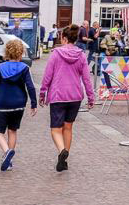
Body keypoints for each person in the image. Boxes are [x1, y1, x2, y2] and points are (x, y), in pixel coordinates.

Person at [39, 24, 94, 172]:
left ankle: (62, 150)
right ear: (75, 39)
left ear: (63, 38)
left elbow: (47, 76)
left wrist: (43, 92)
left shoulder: (56, 54)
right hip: (75, 96)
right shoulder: (81, 55)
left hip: (58, 95)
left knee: (56, 129)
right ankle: (64, 158)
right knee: (68, 127)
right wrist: (90, 97)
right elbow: (87, 79)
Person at [0, 39, 38, 171]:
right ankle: (9, 160)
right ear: (21, 53)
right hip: (19, 104)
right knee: (12, 131)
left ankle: (7, 151)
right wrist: (33, 103)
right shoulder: (25, 68)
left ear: (7, 52)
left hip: (3, 104)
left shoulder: (1, 68)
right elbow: (30, 87)